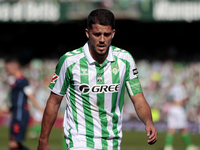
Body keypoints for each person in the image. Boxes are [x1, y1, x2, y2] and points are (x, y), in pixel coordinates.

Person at [38, 9, 157, 150]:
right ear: (88, 33)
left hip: (112, 141)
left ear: (113, 33)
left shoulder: (125, 60)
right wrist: (43, 140)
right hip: (79, 140)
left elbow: (138, 98)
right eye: (97, 34)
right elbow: (54, 102)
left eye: (106, 34)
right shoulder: (70, 61)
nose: (102, 39)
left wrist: (148, 122)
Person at [5, 57, 43, 150]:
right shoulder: (17, 81)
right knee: (15, 144)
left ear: (15, 67)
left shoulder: (23, 81)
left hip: (20, 115)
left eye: (8, 69)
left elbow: (31, 96)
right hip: (17, 114)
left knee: (13, 143)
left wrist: (41, 110)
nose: (7, 71)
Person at [164, 83, 199, 150]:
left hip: (172, 109)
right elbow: (182, 99)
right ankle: (189, 146)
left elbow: (170, 98)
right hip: (179, 110)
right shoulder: (182, 88)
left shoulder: (172, 88)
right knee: (184, 128)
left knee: (171, 128)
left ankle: (168, 146)